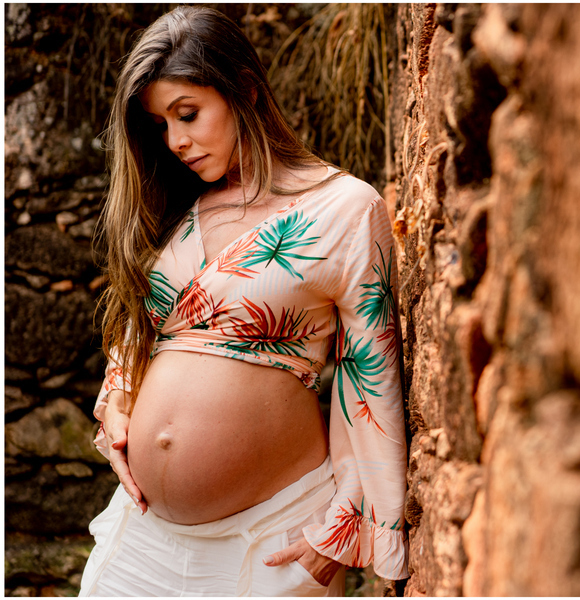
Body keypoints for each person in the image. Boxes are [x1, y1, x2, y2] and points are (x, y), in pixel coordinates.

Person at [79, 6, 408, 596]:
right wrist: (119, 401)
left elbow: (371, 379)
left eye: (188, 114)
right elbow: (139, 328)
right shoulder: (174, 208)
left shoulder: (344, 210)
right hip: (145, 535)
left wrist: (344, 523)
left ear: (246, 91)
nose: (176, 141)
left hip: (270, 540)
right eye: (160, 125)